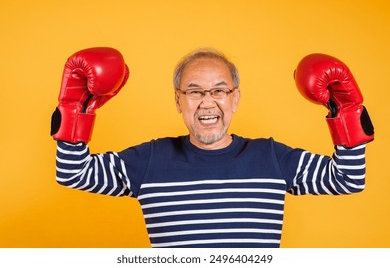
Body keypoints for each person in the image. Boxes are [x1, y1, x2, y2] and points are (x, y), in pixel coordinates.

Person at [51, 47, 374, 248]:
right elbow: (73, 173)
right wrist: (76, 108)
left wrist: (345, 111)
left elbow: (347, 179)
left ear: (235, 98)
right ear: (178, 100)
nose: (207, 101)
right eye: (194, 92)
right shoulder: (150, 159)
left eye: (219, 90)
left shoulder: (271, 156)